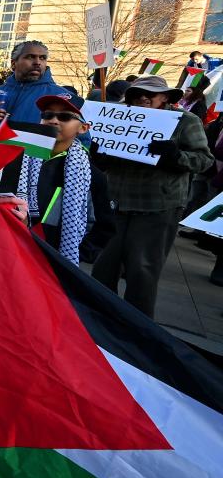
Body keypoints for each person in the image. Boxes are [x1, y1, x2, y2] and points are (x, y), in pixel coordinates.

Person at [92, 76, 213, 317]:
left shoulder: (185, 121)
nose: (143, 98)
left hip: (158, 207)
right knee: (103, 269)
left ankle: (138, 329)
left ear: (166, 97)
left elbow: (204, 160)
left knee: (142, 272)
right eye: (137, 94)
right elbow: (107, 160)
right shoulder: (119, 116)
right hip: (118, 204)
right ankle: (100, 320)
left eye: (151, 94)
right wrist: (99, 154)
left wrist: (175, 156)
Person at [15, 95, 95, 265]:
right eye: (47, 115)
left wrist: (75, 249)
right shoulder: (16, 158)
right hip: (14, 246)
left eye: (65, 117)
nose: (53, 121)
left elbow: (96, 222)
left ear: (83, 128)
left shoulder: (89, 172)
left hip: (54, 256)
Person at [0, 40, 70, 130]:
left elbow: (82, 141)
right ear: (13, 64)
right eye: (30, 57)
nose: (37, 62)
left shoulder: (62, 96)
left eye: (42, 58)